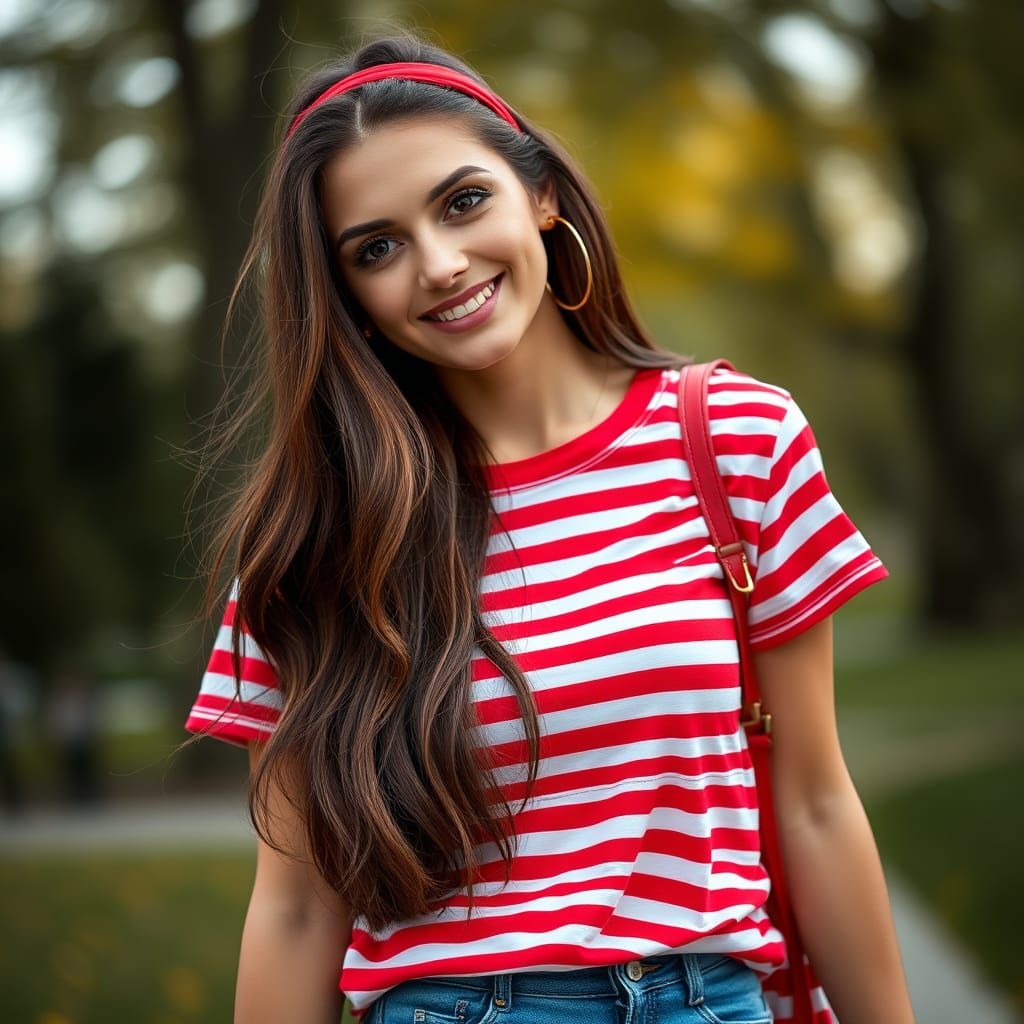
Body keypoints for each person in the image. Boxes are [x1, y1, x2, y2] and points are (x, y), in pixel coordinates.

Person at [179, 30, 915, 1024]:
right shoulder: (321, 538)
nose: (438, 264)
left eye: (462, 201)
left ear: (541, 193)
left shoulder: (733, 439)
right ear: (344, 294)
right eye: (378, 248)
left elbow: (815, 800)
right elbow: (298, 908)